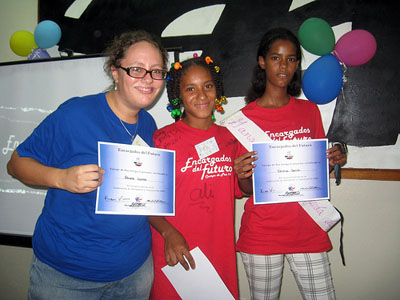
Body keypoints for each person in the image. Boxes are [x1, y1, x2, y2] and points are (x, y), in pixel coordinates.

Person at [7, 30, 168, 300]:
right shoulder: (74, 114)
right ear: (115, 72)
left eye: (156, 71)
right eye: (137, 69)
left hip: (135, 272)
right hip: (66, 278)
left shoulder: (149, 125)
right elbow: (16, 164)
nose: (148, 79)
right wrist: (62, 178)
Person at [233, 28, 347, 300]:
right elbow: (248, 190)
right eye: (276, 58)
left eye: (292, 59)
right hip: (262, 233)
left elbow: (316, 174)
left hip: (307, 230)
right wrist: (241, 174)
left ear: (297, 64)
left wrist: (335, 159)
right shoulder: (242, 119)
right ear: (262, 61)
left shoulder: (309, 111)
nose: (284, 66)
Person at [148, 56, 245, 300]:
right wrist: (168, 233)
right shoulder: (161, 140)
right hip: (174, 248)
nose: (201, 95)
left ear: (217, 90)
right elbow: (145, 200)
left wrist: (245, 175)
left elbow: (244, 189)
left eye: (208, 86)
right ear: (177, 95)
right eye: (190, 88)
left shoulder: (230, 139)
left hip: (218, 250)